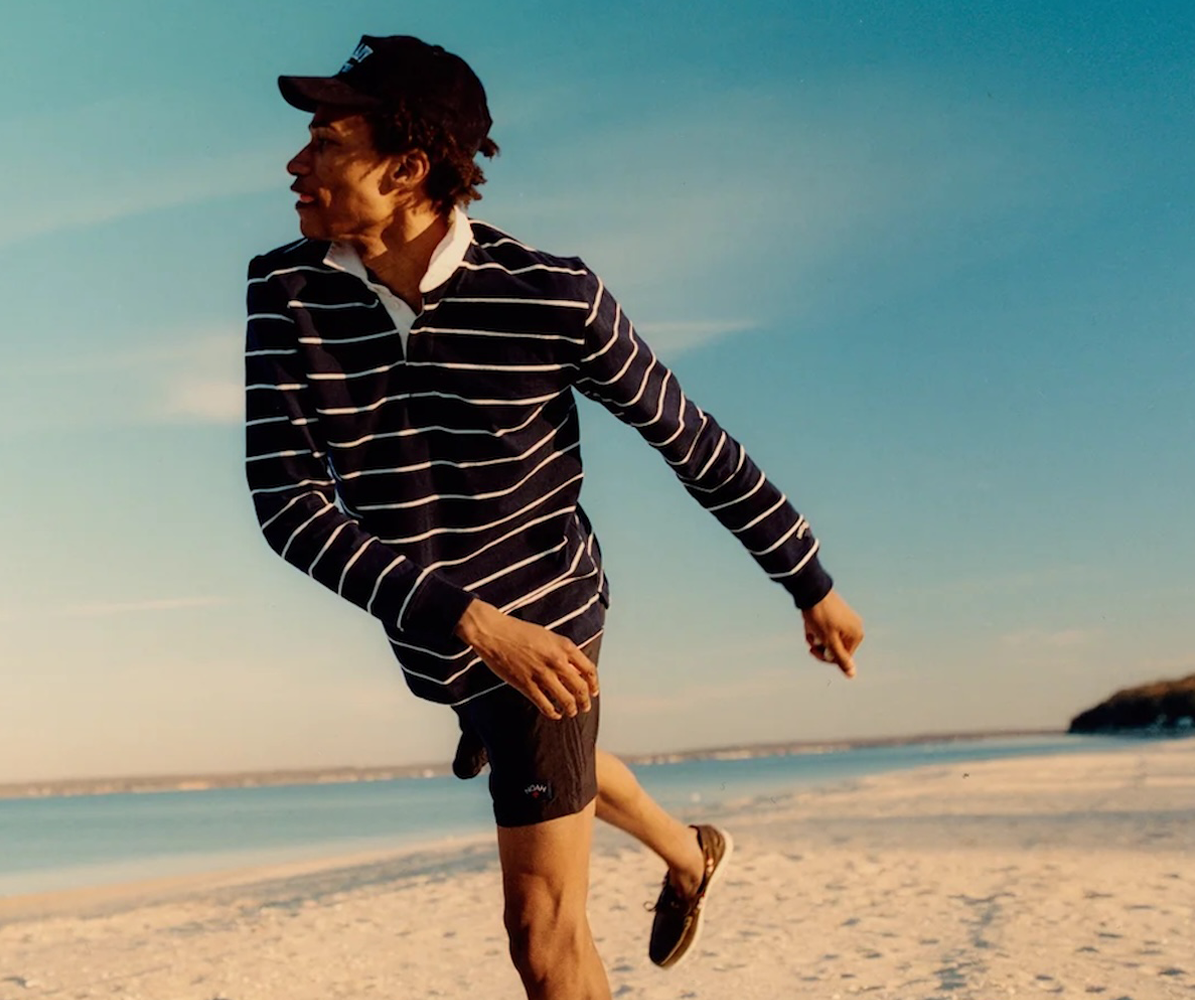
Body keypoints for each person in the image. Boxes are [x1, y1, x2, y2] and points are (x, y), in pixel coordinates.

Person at [244, 34, 865, 1000]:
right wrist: (470, 625)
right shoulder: (283, 290)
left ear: (407, 170)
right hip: (443, 633)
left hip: (549, 615)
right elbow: (287, 506)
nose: (295, 162)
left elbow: (691, 440)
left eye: (326, 140)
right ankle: (689, 853)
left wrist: (810, 583)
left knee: (542, 936)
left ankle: (667, 851)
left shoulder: (549, 293)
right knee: (546, 756)